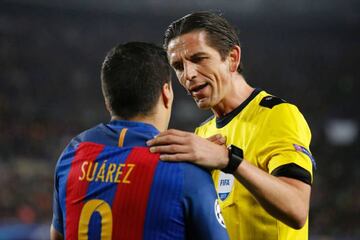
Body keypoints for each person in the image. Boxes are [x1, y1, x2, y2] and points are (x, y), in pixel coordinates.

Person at [147, 11, 316, 240]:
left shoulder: (277, 115)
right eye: (178, 66)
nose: (188, 75)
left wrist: (229, 160)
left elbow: (296, 209)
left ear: (232, 58)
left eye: (198, 59)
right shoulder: (203, 133)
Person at [50, 42, 229, 240]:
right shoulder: (185, 171)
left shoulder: (73, 152)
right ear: (166, 93)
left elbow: (57, 235)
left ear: (108, 101)